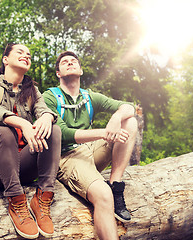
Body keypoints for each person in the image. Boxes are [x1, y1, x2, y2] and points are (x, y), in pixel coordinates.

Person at [0, 43, 61, 239]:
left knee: (54, 130)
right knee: (3, 131)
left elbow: (43, 109)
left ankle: (42, 199)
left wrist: (46, 117)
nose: (26, 55)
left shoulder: (32, 91)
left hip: (22, 169)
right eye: (20, 52)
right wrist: (22, 124)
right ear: (5, 59)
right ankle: (17, 201)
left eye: (28, 54)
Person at [43, 51, 137, 240]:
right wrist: (104, 132)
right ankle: (107, 193)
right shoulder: (50, 97)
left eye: (73, 61)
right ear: (58, 74)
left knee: (130, 121)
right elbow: (64, 135)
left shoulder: (89, 97)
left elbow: (129, 106)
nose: (69, 63)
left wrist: (116, 117)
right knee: (103, 196)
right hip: (67, 157)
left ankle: (115, 184)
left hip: (90, 151)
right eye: (64, 62)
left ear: (81, 70)